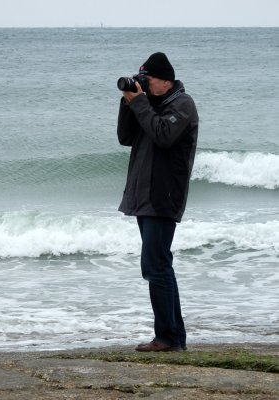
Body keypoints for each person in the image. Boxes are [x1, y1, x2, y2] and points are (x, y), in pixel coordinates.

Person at [117, 52, 198, 352]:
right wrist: (129, 103)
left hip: (164, 197)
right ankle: (173, 336)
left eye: (148, 80)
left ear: (165, 80)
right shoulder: (149, 104)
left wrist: (140, 104)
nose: (144, 85)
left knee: (155, 265)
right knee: (159, 264)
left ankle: (168, 337)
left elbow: (164, 135)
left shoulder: (183, 105)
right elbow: (125, 137)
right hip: (145, 196)